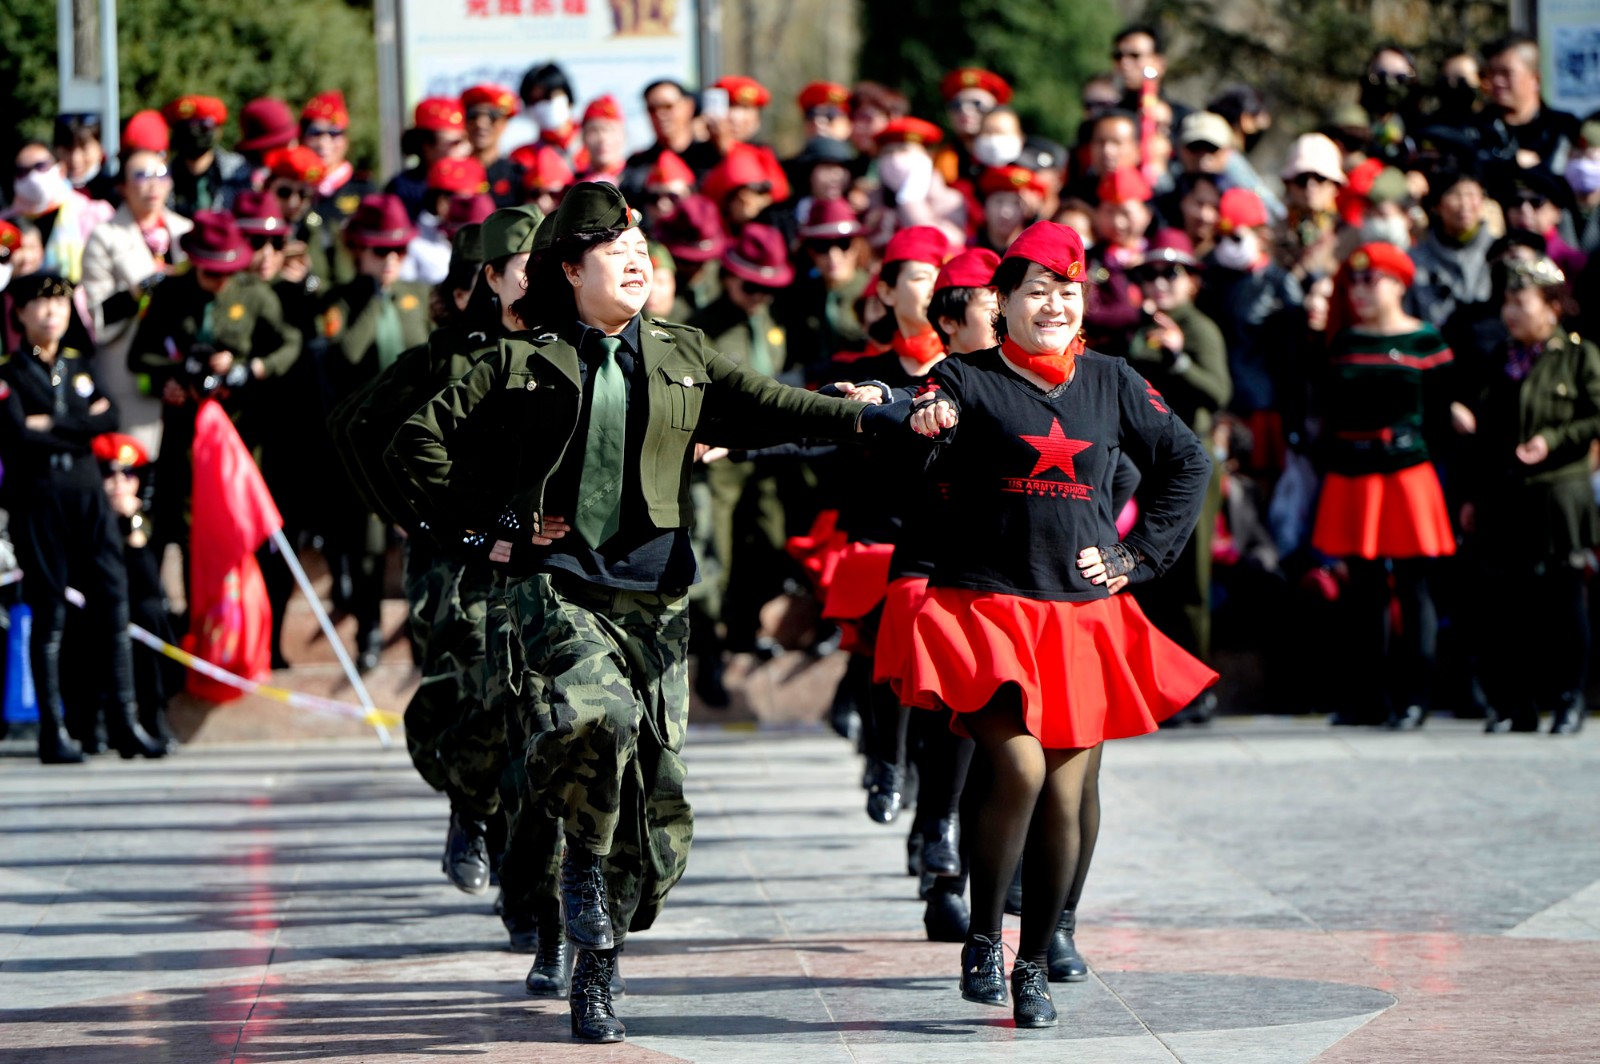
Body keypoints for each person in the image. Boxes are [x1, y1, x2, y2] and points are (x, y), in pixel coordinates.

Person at [388, 181, 931, 1043]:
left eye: (640, 246)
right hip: (558, 585)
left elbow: (769, 405)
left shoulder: (682, 349)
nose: (636, 259)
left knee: (656, 801)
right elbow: (414, 439)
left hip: (657, 596)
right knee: (593, 724)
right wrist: (490, 521)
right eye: (613, 250)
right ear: (569, 268)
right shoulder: (522, 359)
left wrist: (879, 420)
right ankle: (577, 911)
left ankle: (596, 937)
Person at [892, 221, 1214, 1029]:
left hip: (1080, 617)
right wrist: (918, 420)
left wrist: (1138, 556)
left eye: (1068, 292)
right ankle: (981, 934)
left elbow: (1188, 461)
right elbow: (924, 430)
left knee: (1069, 794)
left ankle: (1033, 963)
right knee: (1019, 768)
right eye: (1037, 292)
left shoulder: (1112, 379)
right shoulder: (965, 376)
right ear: (1001, 303)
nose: (1055, 305)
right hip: (989, 608)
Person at [0, 272, 167, 763]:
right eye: (41, 304)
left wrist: (51, 422)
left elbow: (107, 419)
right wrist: (75, 423)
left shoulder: (80, 366)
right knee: (50, 613)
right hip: (40, 499)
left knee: (114, 606)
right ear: (22, 313)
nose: (53, 313)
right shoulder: (9, 375)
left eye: (61, 303)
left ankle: (125, 722)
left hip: (87, 496)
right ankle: (56, 728)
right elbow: (16, 436)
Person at [1310, 243, 1457, 729]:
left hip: (1406, 474)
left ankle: (1415, 696)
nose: (1359, 290)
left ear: (1398, 283)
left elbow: (1440, 419)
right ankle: (1366, 698)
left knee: (1414, 590)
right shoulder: (1344, 340)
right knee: (1362, 592)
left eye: (1370, 279)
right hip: (1353, 475)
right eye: (1353, 281)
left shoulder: (1426, 342)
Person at [1458, 255, 1598, 734]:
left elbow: (1595, 416)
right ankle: (1516, 704)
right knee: (1509, 605)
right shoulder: (1501, 359)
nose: (1510, 313)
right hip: (1506, 494)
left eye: (1521, 302)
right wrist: (1475, 495)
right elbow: (1489, 436)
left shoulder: (1580, 356)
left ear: (1551, 308)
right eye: (1507, 303)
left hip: (1560, 494)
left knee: (1564, 599)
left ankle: (1568, 699)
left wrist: (1553, 440)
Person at [319, 194, 432, 672]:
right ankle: (367, 628)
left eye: (397, 252)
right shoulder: (341, 300)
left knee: (423, 537)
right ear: (359, 251)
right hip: (364, 440)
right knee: (366, 543)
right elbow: (347, 352)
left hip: (411, 437)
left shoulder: (419, 295)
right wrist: (372, 294)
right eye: (379, 251)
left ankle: (423, 630)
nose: (390, 261)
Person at [1126, 230, 1232, 722]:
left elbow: (1218, 392)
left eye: (1171, 273)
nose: (1160, 283)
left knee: (1190, 577)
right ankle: (1160, 684)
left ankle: (1198, 685)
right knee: (1149, 576)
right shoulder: (1138, 328)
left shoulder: (1200, 327)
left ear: (1191, 279)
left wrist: (1179, 357)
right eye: (1149, 274)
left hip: (1190, 468)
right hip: (1146, 465)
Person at [80, 149, 193, 451]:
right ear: (122, 186)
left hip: (184, 371)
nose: (153, 185)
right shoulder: (105, 236)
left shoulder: (187, 230)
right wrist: (142, 288)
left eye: (160, 175)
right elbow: (97, 314)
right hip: (130, 369)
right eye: (141, 175)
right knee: (134, 464)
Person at [5, 141, 115, 283]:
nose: (32, 176)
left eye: (41, 166)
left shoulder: (95, 214)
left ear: (61, 169)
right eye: (22, 171)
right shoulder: (5, 224)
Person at [1477, 35, 1580, 173]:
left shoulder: (1563, 128)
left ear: (1535, 79)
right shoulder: (1477, 127)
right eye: (1492, 73)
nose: (1497, 81)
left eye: (1506, 73)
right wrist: (1511, 161)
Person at [386, 97, 470, 221]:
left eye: (466, 140)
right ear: (427, 146)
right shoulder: (403, 187)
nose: (465, 149)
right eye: (455, 143)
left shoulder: (475, 181)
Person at [163, 95, 248, 216]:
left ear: (219, 131)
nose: (193, 134)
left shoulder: (238, 172)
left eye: (203, 128)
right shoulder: (161, 177)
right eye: (185, 129)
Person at [460, 84, 523, 204]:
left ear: (504, 124)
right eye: (473, 116)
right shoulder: (453, 172)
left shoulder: (517, 176)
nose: (481, 123)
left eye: (492, 116)